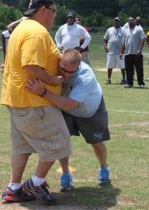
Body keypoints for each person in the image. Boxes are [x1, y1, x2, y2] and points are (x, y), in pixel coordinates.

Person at [0, 0, 71, 205]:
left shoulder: (21, 28)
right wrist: (52, 79)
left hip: (16, 99)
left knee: (21, 147)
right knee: (60, 142)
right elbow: (30, 65)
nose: (54, 16)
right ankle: (36, 183)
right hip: (34, 102)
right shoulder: (36, 32)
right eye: (54, 11)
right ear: (43, 10)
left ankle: (14, 188)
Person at [26, 49, 111, 189]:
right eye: (64, 69)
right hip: (63, 106)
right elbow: (32, 69)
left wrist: (42, 92)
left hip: (89, 110)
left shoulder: (85, 77)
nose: (67, 74)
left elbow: (71, 104)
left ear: (79, 65)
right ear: (60, 60)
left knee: (96, 141)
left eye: (72, 72)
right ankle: (65, 175)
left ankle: (104, 167)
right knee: (62, 142)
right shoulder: (54, 62)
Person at [121, 17, 146, 88]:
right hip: (128, 53)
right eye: (129, 20)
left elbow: (143, 39)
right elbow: (123, 42)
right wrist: (121, 52)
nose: (130, 21)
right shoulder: (125, 31)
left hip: (137, 53)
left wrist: (139, 49)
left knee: (139, 69)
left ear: (134, 21)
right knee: (128, 69)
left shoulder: (139, 29)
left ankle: (141, 83)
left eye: (132, 20)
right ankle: (129, 83)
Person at [103, 17, 126, 84]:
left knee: (122, 66)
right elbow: (105, 39)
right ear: (113, 22)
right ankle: (109, 79)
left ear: (120, 22)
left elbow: (126, 40)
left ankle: (124, 79)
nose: (116, 22)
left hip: (120, 52)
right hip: (111, 51)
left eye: (117, 21)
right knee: (110, 66)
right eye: (115, 21)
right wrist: (105, 47)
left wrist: (123, 50)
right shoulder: (109, 30)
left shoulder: (124, 30)